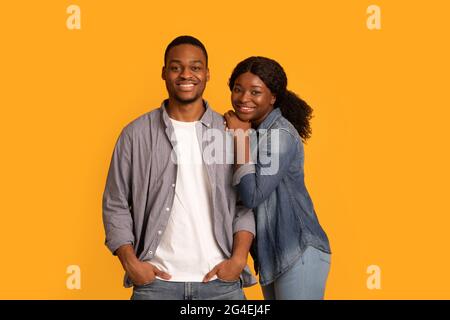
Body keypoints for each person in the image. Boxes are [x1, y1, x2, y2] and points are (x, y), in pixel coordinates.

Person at [102, 36, 256, 300]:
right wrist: (131, 264)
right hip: (155, 286)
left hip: (221, 285)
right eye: (176, 67)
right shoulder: (135, 135)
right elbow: (115, 203)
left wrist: (238, 260)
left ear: (207, 74)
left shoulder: (231, 132)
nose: (186, 74)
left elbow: (245, 203)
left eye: (195, 67)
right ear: (164, 73)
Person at [224, 56, 331, 300]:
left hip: (299, 250)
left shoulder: (280, 134)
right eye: (238, 89)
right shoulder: (252, 132)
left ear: (272, 97)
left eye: (255, 92)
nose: (243, 98)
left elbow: (252, 195)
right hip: (273, 257)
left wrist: (240, 139)